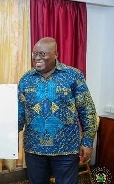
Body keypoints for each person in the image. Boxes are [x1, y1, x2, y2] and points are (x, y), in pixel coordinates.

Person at [18, 37, 97, 184]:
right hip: (34, 149)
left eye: (42, 54)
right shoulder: (26, 79)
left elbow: (87, 109)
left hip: (66, 149)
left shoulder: (73, 75)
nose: (37, 58)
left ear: (56, 54)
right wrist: (5, 139)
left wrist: (87, 142)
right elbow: (19, 113)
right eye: (34, 53)